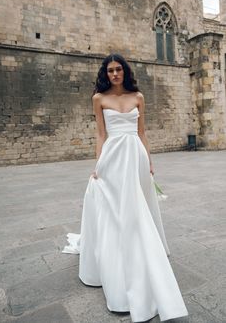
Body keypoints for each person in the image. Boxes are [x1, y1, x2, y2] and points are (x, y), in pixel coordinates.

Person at [63, 54, 188, 322]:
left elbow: (142, 132)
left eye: (119, 69)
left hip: (136, 156)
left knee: (136, 206)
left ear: (125, 71)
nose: (115, 74)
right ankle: (117, 255)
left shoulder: (138, 97)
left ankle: (140, 245)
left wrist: (150, 161)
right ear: (105, 73)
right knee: (113, 207)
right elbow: (100, 134)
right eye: (110, 70)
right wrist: (98, 164)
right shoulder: (100, 98)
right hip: (113, 156)